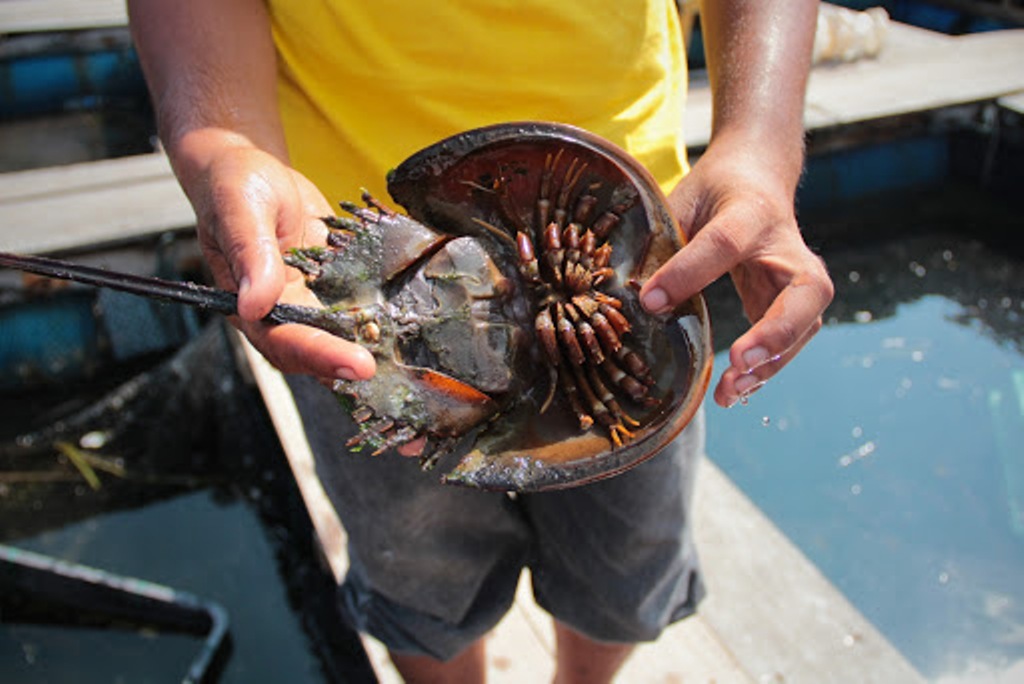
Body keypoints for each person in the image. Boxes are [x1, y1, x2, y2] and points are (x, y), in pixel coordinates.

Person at [127, 1, 834, 681]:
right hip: (343, 246)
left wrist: (758, 142)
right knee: (419, 579)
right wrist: (220, 141)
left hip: (637, 225)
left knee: (626, 570)